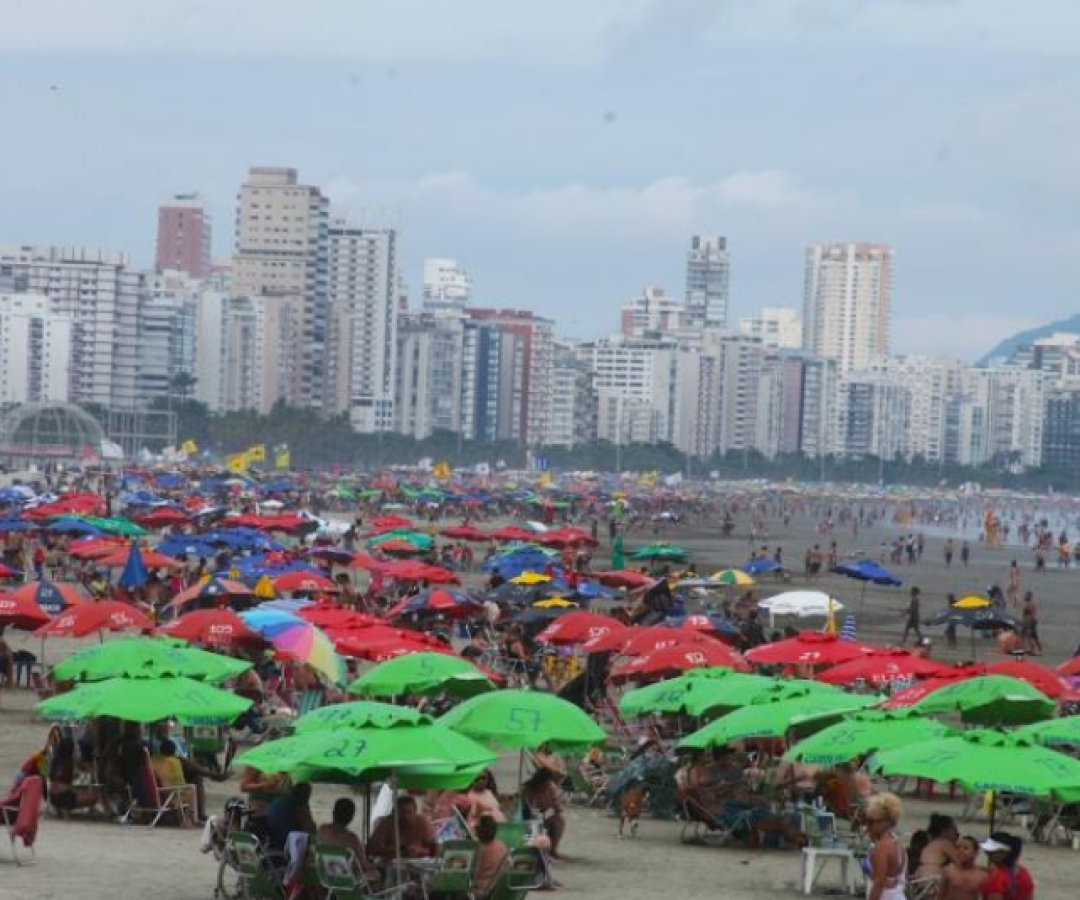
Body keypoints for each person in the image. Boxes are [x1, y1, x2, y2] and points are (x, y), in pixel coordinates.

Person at [864, 792, 907, 900]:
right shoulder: (897, 843)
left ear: (886, 822)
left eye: (871, 822)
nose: (867, 827)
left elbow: (878, 882)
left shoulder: (882, 846)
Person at [368, 795, 438, 861]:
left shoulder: (422, 823)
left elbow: (434, 850)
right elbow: (372, 848)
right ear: (394, 813)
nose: (406, 816)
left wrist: (419, 851)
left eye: (409, 812)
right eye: (402, 813)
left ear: (415, 812)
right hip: (390, 867)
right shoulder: (387, 823)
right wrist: (399, 852)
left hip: (418, 866)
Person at [521, 767, 567, 859]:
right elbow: (526, 808)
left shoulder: (550, 788)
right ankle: (536, 850)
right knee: (535, 822)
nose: (547, 785)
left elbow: (556, 806)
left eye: (548, 783)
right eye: (545, 783)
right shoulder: (527, 789)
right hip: (528, 817)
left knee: (559, 821)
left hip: (543, 815)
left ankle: (552, 850)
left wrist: (556, 805)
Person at [150, 739, 196, 825]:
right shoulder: (174, 762)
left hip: (156, 792)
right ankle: (188, 819)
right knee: (191, 789)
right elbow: (179, 780)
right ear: (173, 751)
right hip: (170, 793)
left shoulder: (153, 761)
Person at [980, 833, 1034, 900]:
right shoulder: (1024, 873)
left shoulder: (996, 880)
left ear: (1004, 853)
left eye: (991, 852)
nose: (987, 853)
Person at [266, 781, 316, 851]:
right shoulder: (298, 805)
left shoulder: (276, 801)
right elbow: (310, 830)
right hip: (291, 845)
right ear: (306, 795)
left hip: (272, 842)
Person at [939, 836, 987, 900]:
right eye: (958, 848)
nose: (960, 851)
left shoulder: (982, 876)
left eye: (965, 848)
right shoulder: (948, 870)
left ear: (976, 852)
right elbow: (940, 895)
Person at [915, 813, 961, 879]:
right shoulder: (945, 843)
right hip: (932, 878)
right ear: (945, 831)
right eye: (954, 830)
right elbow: (960, 862)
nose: (957, 833)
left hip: (920, 875)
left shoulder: (932, 843)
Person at [474, 814, 509, 897]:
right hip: (498, 887)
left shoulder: (479, 849)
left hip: (481, 889)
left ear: (479, 831)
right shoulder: (502, 846)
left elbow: (472, 873)